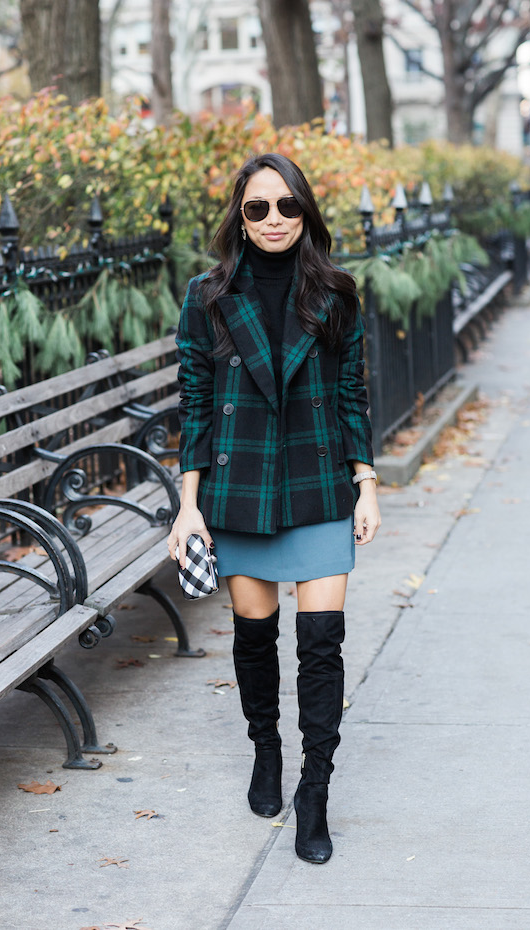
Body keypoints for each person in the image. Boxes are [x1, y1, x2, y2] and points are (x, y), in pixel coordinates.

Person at [167, 153, 380, 864]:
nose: (273, 221)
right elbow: (194, 405)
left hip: (318, 484)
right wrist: (187, 507)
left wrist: (368, 481)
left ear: (305, 212)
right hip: (242, 490)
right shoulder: (207, 295)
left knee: (321, 647)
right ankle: (267, 749)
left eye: (287, 206)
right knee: (256, 640)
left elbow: (352, 393)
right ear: (239, 214)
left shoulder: (335, 292)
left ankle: (314, 791)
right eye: (258, 208)